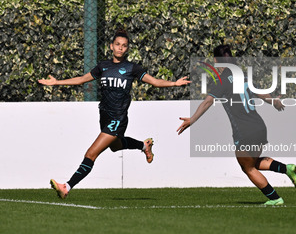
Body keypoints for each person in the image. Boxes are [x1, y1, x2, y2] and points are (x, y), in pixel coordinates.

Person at [38, 29, 190, 199]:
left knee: (91, 154)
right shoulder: (103, 66)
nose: (120, 48)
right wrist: (57, 82)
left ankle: (67, 187)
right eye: (117, 44)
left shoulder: (132, 68)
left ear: (127, 49)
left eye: (124, 46)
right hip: (104, 114)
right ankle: (143, 146)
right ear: (111, 46)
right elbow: (81, 79)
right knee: (115, 146)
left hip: (118, 117)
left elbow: (154, 82)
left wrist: (174, 84)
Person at [177, 44, 296, 206]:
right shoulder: (241, 75)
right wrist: (274, 101)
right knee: (252, 162)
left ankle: (275, 198)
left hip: (244, 130)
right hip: (258, 125)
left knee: (247, 168)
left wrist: (192, 119)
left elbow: (208, 102)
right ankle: (287, 168)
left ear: (216, 61)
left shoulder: (221, 80)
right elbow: (260, 92)